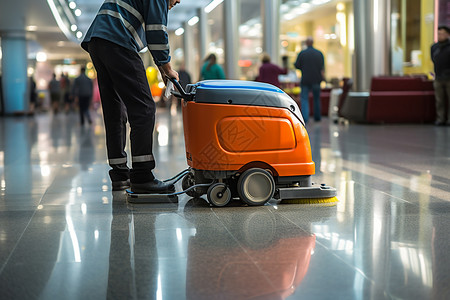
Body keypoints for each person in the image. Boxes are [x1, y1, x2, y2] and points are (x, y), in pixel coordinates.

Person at [81, 0, 181, 193]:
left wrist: (162, 68)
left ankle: (119, 174)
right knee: (144, 109)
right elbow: (156, 31)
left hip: (98, 40)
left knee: (115, 109)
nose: (178, 2)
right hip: (117, 39)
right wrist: (167, 67)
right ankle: (142, 176)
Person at [294, 37, 325, 123]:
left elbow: (297, 65)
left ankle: (305, 118)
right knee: (316, 98)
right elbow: (322, 67)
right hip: (316, 79)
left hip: (305, 80)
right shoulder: (319, 53)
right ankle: (317, 117)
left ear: (306, 43)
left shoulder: (302, 53)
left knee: (304, 99)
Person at [431, 25, 450, 126]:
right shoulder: (434, 47)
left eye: (442, 33)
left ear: (447, 35)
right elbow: (433, 59)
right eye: (438, 33)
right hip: (438, 77)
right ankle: (440, 118)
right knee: (439, 100)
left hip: (449, 78)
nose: (440, 35)